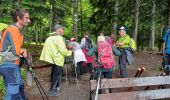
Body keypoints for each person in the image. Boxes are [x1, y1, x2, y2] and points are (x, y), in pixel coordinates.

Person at [0, 8, 30, 100]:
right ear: (18, 18)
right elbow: (17, 51)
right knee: (13, 93)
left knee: (20, 85)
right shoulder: (13, 30)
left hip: (9, 64)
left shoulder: (13, 29)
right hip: (9, 64)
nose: (29, 20)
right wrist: (23, 50)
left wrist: (22, 50)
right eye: (26, 18)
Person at [40, 24, 72, 96]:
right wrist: (70, 52)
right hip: (58, 59)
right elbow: (63, 50)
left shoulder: (49, 38)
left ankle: (56, 87)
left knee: (54, 74)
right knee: (57, 75)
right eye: (62, 29)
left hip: (52, 59)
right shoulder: (59, 38)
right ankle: (52, 91)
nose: (63, 31)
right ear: (59, 30)